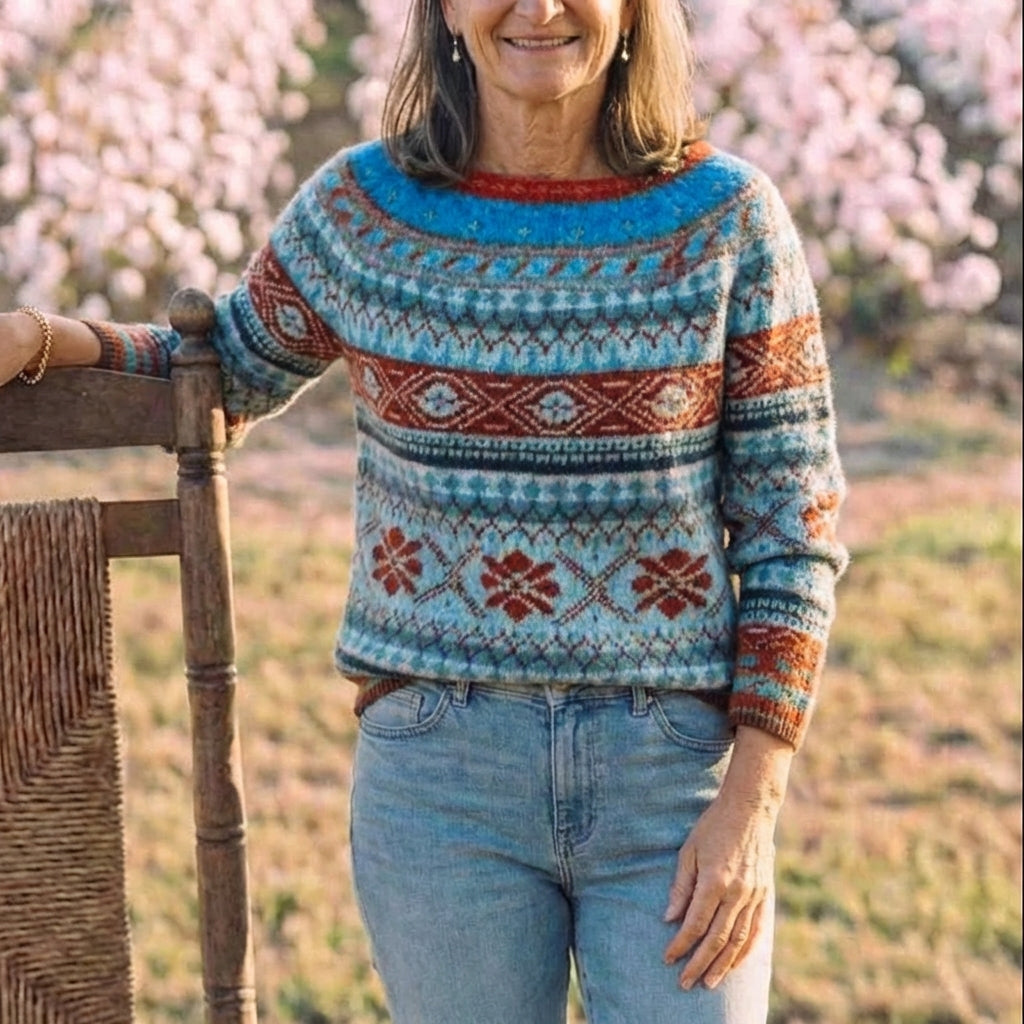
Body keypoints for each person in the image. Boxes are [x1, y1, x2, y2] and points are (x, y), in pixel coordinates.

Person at [0, 0, 848, 1020]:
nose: (536, 9)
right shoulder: (367, 208)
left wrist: (750, 803)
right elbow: (220, 368)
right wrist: (53, 336)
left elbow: (793, 529)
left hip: (668, 777)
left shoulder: (727, 219)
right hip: (442, 779)